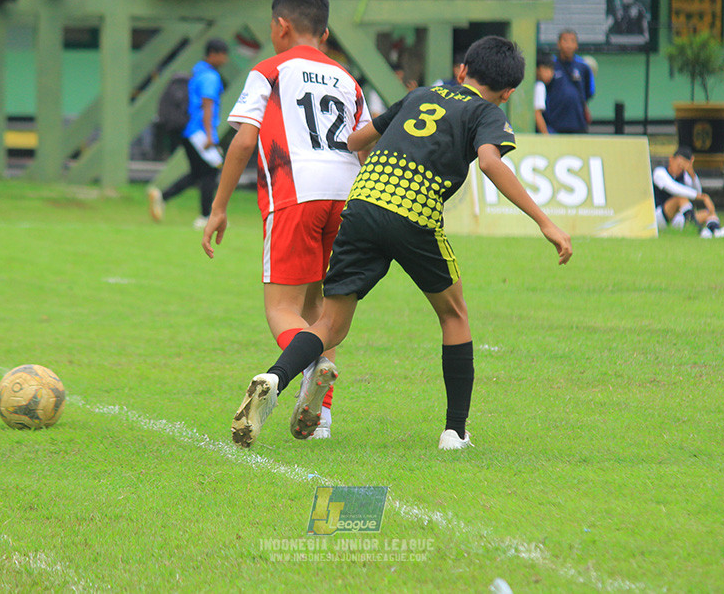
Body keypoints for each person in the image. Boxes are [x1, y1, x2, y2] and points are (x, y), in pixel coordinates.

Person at [227, 36, 573, 451]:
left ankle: (275, 378)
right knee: (454, 314)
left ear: (463, 70)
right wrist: (545, 223)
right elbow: (489, 161)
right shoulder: (487, 113)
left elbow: (356, 139)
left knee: (330, 324)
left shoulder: (421, 95)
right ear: (508, 93)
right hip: (413, 211)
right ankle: (455, 431)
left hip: (362, 202)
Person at [201, 0, 372, 439]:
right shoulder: (348, 79)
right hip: (347, 194)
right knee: (325, 311)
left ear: (280, 26)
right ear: (325, 31)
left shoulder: (269, 70)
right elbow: (364, 145)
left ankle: (303, 370)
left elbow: (243, 138)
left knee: (281, 307)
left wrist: (218, 208)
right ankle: (321, 420)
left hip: (296, 190)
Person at [148, 39, 229, 228]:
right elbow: (207, 106)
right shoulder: (210, 76)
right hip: (199, 131)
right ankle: (205, 216)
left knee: (197, 173)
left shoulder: (197, 72)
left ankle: (162, 196)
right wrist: (210, 136)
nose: (225, 59)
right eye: (223, 55)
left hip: (189, 130)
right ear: (214, 54)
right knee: (212, 170)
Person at [651, 146, 724, 238]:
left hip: (677, 219)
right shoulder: (659, 172)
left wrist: (692, 174)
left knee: (708, 213)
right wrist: (703, 197)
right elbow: (673, 188)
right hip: (658, 217)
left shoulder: (685, 176)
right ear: (671, 159)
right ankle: (698, 230)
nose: (680, 169)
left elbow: (697, 191)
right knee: (680, 198)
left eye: (683, 167)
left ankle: (716, 231)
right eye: (679, 165)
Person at [545, 29, 595, 134]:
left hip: (578, 123)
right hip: (555, 124)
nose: (568, 45)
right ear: (558, 44)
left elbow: (589, 91)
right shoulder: (551, 65)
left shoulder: (583, 67)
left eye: (572, 41)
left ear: (576, 45)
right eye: (565, 41)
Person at [534, 55, 555, 134]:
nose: (549, 74)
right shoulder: (539, 86)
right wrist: (546, 136)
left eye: (551, 70)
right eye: (545, 69)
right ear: (537, 70)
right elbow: (537, 113)